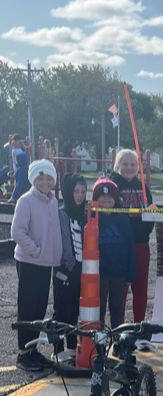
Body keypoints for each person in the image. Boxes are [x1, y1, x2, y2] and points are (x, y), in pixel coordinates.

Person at [10, 159, 63, 371]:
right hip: (30, 261)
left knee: (39, 309)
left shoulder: (52, 201)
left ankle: (32, 349)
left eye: (49, 178)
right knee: (27, 307)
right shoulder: (26, 201)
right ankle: (23, 354)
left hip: (46, 263)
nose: (45, 182)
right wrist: (36, 250)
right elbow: (17, 231)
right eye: (41, 178)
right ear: (33, 179)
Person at [110, 149, 154, 323]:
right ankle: (118, 328)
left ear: (138, 167)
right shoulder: (111, 186)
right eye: (125, 164)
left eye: (132, 164)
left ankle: (139, 326)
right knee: (120, 290)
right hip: (118, 246)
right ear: (117, 165)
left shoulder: (143, 188)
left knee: (140, 288)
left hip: (140, 244)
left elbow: (151, 215)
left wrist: (144, 231)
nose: (129, 168)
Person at [92, 177, 136, 330]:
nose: (106, 199)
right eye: (102, 196)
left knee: (117, 310)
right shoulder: (92, 218)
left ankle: (118, 339)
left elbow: (131, 246)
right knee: (100, 309)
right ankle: (100, 340)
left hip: (119, 274)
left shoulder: (123, 220)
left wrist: (131, 273)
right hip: (101, 274)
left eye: (110, 196)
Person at [52, 173, 88, 358]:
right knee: (62, 311)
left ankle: (72, 347)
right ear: (68, 191)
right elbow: (66, 244)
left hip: (81, 272)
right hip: (65, 271)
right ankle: (57, 350)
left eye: (83, 191)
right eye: (76, 191)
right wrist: (73, 266)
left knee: (75, 310)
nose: (80, 195)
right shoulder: (63, 213)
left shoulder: (84, 214)